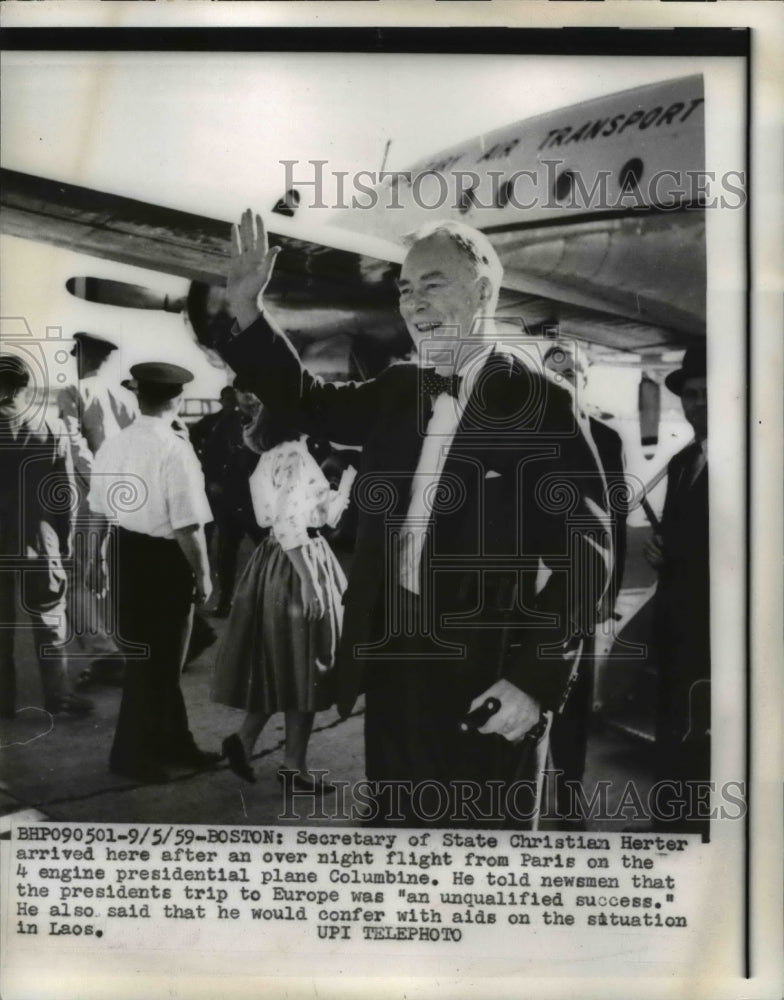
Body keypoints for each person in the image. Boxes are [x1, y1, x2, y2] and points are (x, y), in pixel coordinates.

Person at [216, 211, 612, 827]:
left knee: (480, 848)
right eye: (404, 289)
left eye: (431, 285)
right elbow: (307, 400)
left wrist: (533, 681)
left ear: (483, 291)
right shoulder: (402, 387)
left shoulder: (539, 401)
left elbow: (589, 555)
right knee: (397, 826)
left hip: (487, 668)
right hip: (396, 655)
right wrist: (246, 312)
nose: (412, 304)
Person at [88, 362, 219, 783]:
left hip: (124, 552)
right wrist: (204, 575)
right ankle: (129, 757)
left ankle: (175, 743)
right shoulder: (174, 448)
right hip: (165, 560)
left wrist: (93, 561)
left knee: (156, 663)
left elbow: (97, 512)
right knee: (157, 667)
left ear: (137, 395)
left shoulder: (113, 444)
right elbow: (187, 525)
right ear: (177, 399)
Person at [214, 397, 354, 788]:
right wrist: (309, 581)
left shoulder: (274, 455)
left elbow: (318, 516)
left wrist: (346, 481)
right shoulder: (295, 456)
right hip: (299, 561)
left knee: (286, 665)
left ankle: (251, 743)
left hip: (275, 560)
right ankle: (292, 765)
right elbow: (293, 524)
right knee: (306, 665)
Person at [543, 342, 628, 821]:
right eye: (554, 373)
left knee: (573, 702)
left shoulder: (606, 439)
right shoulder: (525, 433)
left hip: (583, 591)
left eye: (570, 372)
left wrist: (606, 595)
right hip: (531, 590)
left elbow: (613, 524)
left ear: (584, 379)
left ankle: (570, 799)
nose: (562, 380)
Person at [0, 354, 93, 717]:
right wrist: (65, 542)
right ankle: (59, 697)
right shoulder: (51, 428)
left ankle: (3, 701)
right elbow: (64, 494)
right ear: (24, 387)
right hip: (39, 539)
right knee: (50, 619)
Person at [643, 344, 710, 837]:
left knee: (709, 739)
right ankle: (668, 826)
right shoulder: (686, 459)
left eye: (710, 393)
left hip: (717, 633)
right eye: (691, 394)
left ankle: (702, 837)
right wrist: (660, 554)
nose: (700, 404)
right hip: (675, 628)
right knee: (671, 726)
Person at [57, 332, 137, 688]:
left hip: (93, 494)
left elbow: (74, 446)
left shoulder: (73, 391)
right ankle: (131, 646)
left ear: (82, 356)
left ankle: (105, 653)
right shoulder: (126, 395)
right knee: (115, 570)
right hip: (130, 492)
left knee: (77, 575)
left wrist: (99, 481)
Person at [191, 385, 264, 616]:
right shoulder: (226, 422)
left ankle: (268, 600)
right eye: (244, 392)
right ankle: (226, 601)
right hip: (232, 497)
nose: (249, 395)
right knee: (226, 551)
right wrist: (212, 480)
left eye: (252, 391)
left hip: (260, 500)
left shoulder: (268, 418)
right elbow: (211, 453)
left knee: (269, 550)